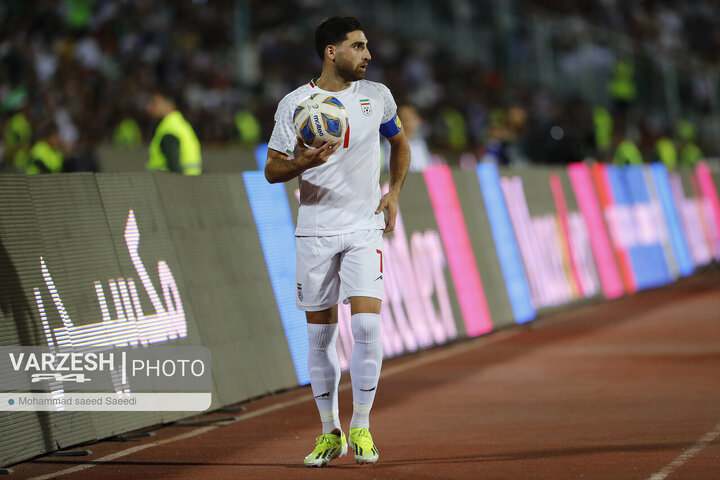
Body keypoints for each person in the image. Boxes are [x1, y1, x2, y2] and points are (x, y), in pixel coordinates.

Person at [264, 16, 410, 467]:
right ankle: (330, 432)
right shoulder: (295, 104)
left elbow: (400, 145)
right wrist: (301, 163)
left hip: (364, 226)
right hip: (315, 229)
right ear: (332, 52)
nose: (367, 55)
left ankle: (362, 425)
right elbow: (272, 170)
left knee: (367, 327)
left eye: (367, 47)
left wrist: (394, 192)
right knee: (320, 336)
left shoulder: (377, 97)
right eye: (358, 46)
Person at [146, 92, 202, 175]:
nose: (148, 107)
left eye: (155, 103)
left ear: (169, 106)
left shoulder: (169, 129)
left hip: (170, 185)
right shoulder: (182, 125)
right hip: (191, 183)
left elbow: (175, 170)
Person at [397, 104, 432, 172]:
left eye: (412, 117)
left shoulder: (421, 143)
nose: (410, 122)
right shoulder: (392, 144)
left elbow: (427, 166)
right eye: (405, 118)